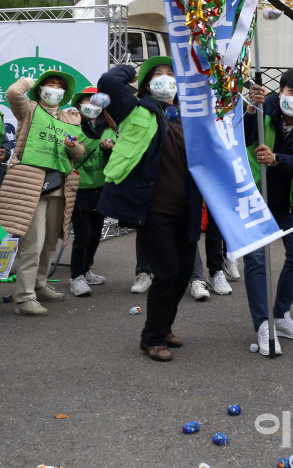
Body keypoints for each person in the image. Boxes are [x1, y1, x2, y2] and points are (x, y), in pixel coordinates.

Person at [97, 56, 202, 362]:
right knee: (167, 272)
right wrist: (132, 66)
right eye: (158, 75)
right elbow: (108, 83)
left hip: (187, 208)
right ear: (145, 83)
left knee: (183, 274)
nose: (166, 79)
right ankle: (152, 338)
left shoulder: (188, 117)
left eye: (172, 75)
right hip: (155, 209)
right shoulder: (136, 109)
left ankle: (164, 326)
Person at [244, 69, 293, 356]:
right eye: (290, 92)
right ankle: (263, 323)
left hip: (290, 202)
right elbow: (241, 137)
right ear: (280, 91)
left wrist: (276, 159)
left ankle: (281, 315)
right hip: (255, 199)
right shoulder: (262, 108)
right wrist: (251, 110)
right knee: (256, 261)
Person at [0, 70, 84, 316]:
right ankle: (25, 297)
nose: (54, 89)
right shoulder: (29, 109)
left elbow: (78, 153)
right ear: (40, 89)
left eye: (59, 86)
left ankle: (40, 284)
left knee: (49, 242)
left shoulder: (70, 119)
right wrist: (32, 81)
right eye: (50, 84)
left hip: (59, 186)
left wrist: (73, 146)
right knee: (33, 243)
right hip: (31, 186)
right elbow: (13, 92)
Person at [68, 87, 117, 297]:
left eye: (95, 102)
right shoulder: (73, 127)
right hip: (79, 189)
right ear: (79, 105)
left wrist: (109, 150)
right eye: (87, 101)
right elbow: (68, 156)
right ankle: (76, 277)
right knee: (83, 235)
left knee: (96, 234)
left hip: (101, 188)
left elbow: (111, 162)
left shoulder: (109, 128)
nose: (91, 106)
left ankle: (86, 270)